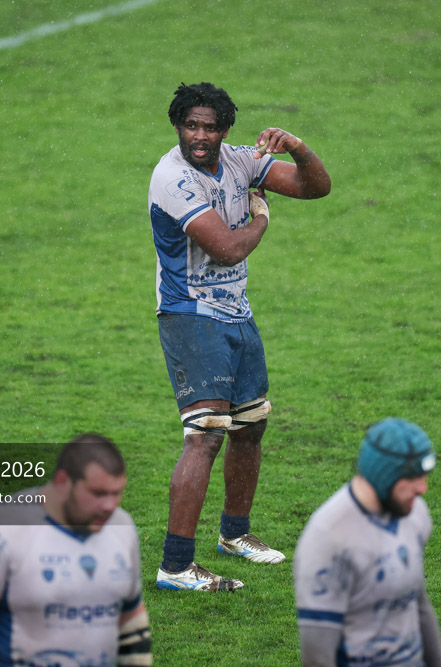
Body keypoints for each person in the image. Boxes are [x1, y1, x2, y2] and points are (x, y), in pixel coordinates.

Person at [148, 81, 331, 592]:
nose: (199, 136)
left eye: (209, 126)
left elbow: (316, 187)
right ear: (177, 126)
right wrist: (262, 219)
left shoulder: (240, 161)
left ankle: (234, 535)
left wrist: (296, 146)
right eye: (190, 125)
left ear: (225, 130)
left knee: (250, 426)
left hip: (236, 314)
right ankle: (176, 566)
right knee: (204, 435)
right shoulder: (173, 178)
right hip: (190, 315)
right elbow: (228, 249)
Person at [0, 434, 152, 667]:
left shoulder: (121, 527)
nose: (110, 506)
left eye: (117, 493)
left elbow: (130, 616)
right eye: (98, 494)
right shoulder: (1, 530)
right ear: (62, 482)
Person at [293, 418, 441, 667]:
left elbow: (417, 603)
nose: (423, 488)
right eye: (412, 478)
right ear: (384, 475)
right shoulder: (328, 538)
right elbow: (317, 655)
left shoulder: (414, 514)